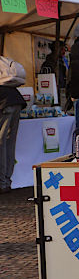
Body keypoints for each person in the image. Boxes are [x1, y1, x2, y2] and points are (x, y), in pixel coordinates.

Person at [0, 58, 26, 194]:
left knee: (1, 143)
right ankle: (6, 181)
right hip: (15, 100)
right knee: (9, 142)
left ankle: (2, 183)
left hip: (4, 102)